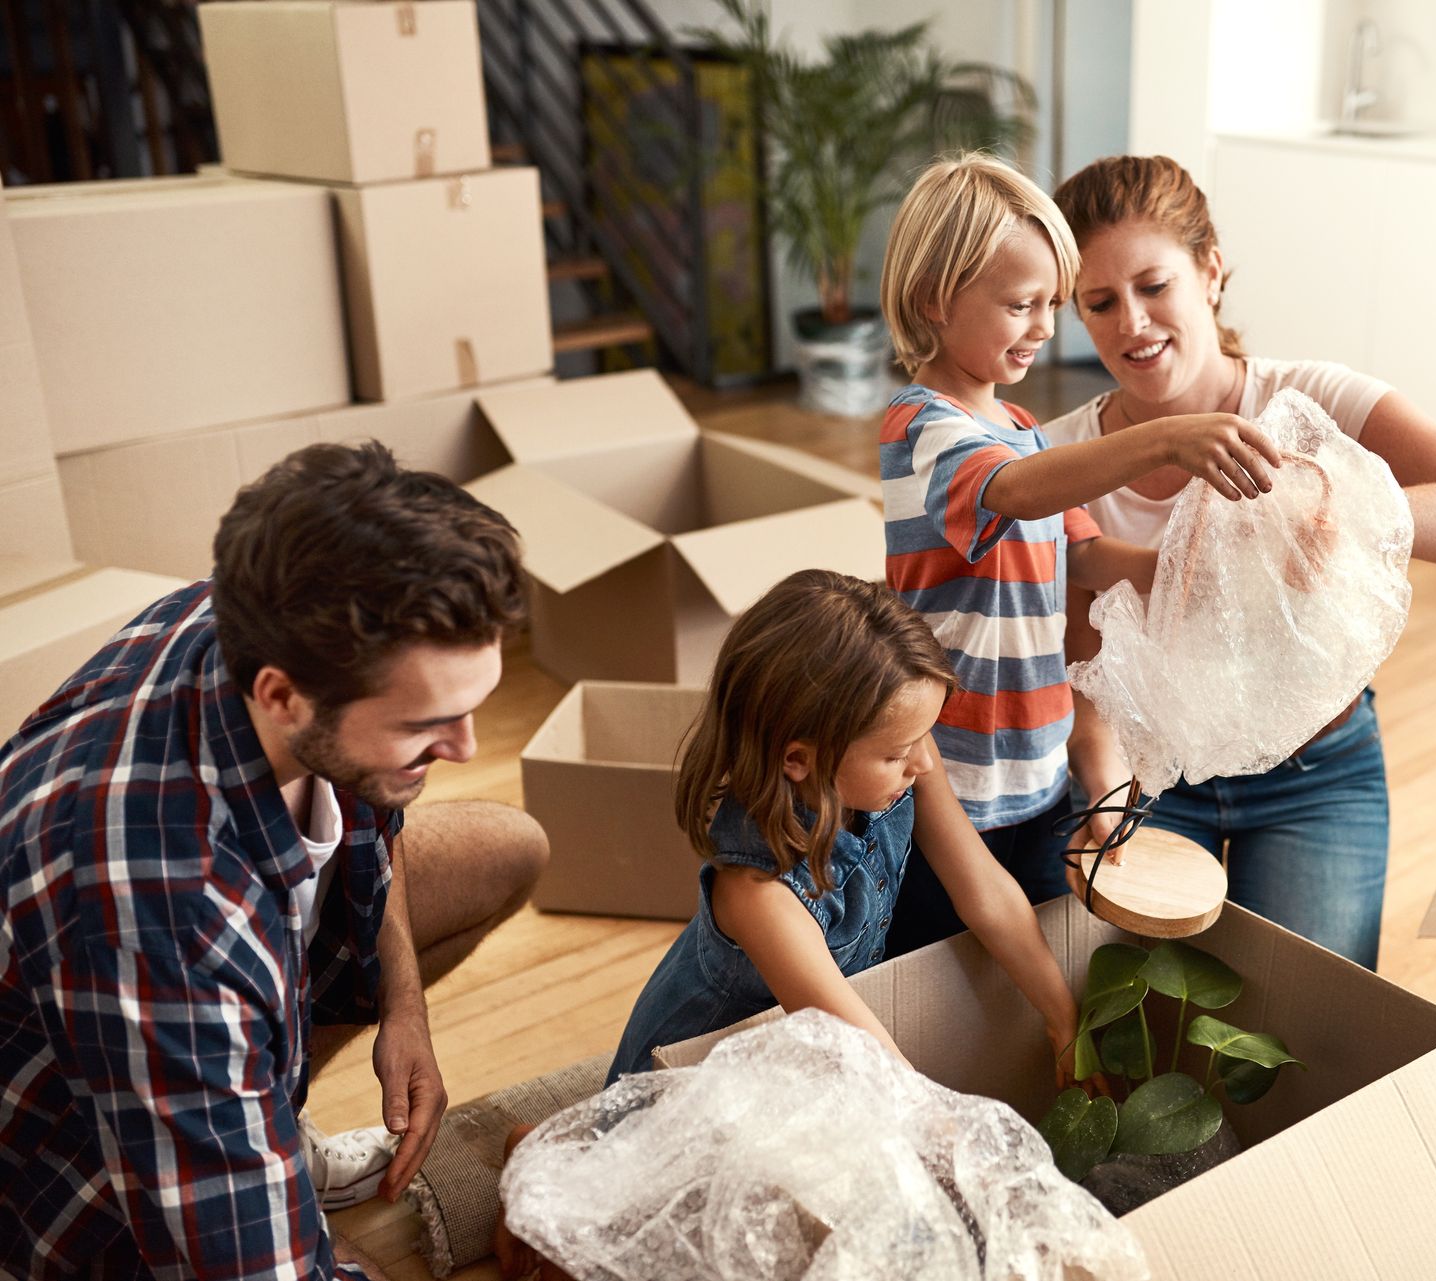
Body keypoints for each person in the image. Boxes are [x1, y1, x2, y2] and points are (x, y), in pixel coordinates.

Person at [0, 442, 551, 1281]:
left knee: (510, 847)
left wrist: (405, 1005)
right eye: (422, 725)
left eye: (473, 705)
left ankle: (267, 1136)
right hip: (73, 1182)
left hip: (187, 1004)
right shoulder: (164, 919)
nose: (467, 748)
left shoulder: (270, 617)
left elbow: (377, 825)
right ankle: (245, 1150)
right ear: (282, 695)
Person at [1048, 154, 1436, 971]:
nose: (1132, 325)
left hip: (1317, 776)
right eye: (1100, 303)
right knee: (1131, 1037)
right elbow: (1083, 663)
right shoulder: (1063, 456)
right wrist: (1105, 797)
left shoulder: (1314, 401)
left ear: (1210, 271)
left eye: (1154, 286)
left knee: (1304, 1042)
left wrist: (1340, 515)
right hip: (1150, 780)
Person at [875, 152, 1287, 955]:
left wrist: (1206, 574)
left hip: (1039, 773)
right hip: (949, 776)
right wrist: (1163, 438)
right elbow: (1017, 491)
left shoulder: (1023, 427)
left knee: (1037, 963)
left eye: (1052, 306)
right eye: (1022, 305)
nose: (1042, 328)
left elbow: (1090, 561)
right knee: (935, 972)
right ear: (933, 299)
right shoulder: (921, 429)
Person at [602, 569, 1083, 1080]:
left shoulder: (903, 756)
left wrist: (1063, 1019)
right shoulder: (756, 893)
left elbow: (985, 890)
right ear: (798, 759)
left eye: (926, 735)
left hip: (789, 1053)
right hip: (685, 1084)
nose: (923, 762)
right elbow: (868, 1056)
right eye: (899, 752)